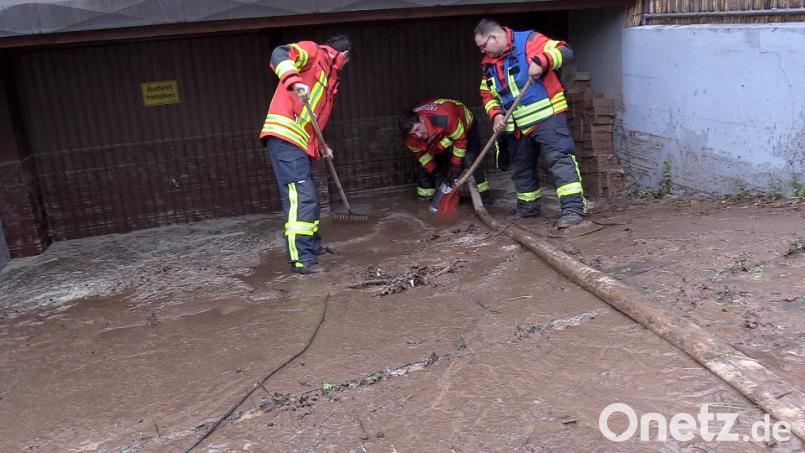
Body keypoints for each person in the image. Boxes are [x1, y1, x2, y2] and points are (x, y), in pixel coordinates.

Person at [474, 19, 587, 228]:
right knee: (521, 167)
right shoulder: (488, 63)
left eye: (483, 46)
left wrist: (542, 60)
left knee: (559, 159)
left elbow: (565, 51)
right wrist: (496, 115)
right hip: (516, 124)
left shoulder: (529, 40)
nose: (483, 51)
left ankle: (573, 210)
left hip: (547, 117)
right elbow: (486, 93)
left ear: (494, 37)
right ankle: (528, 209)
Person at [259, 34, 351, 274]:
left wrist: (322, 146)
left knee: (308, 197)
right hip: (284, 137)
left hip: (300, 142)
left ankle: (312, 246)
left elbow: (313, 119)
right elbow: (279, 52)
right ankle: (301, 260)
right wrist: (294, 80)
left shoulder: (331, 79)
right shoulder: (314, 52)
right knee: (301, 196)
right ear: (344, 56)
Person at [398, 98, 491, 204]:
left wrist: (455, 166)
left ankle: (484, 197)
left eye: (417, 130)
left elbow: (460, 141)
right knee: (425, 171)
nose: (418, 135)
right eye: (413, 134)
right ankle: (430, 201)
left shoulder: (445, 118)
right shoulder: (410, 139)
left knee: (469, 159)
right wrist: (437, 174)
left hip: (465, 125)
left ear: (421, 120)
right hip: (440, 134)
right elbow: (423, 156)